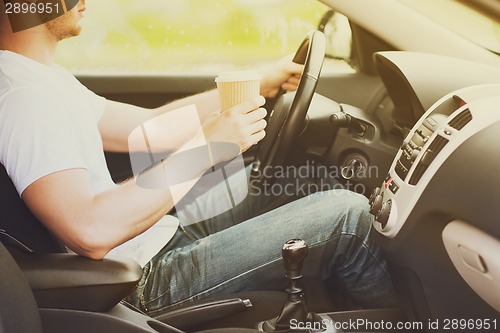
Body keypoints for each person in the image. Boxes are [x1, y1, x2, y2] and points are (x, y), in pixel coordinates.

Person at [0, 0, 398, 317]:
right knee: (350, 217)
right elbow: (89, 230)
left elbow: (151, 127)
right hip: (134, 281)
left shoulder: (41, 79)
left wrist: (259, 83)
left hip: (152, 238)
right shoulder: (22, 98)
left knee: (301, 179)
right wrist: (208, 148)